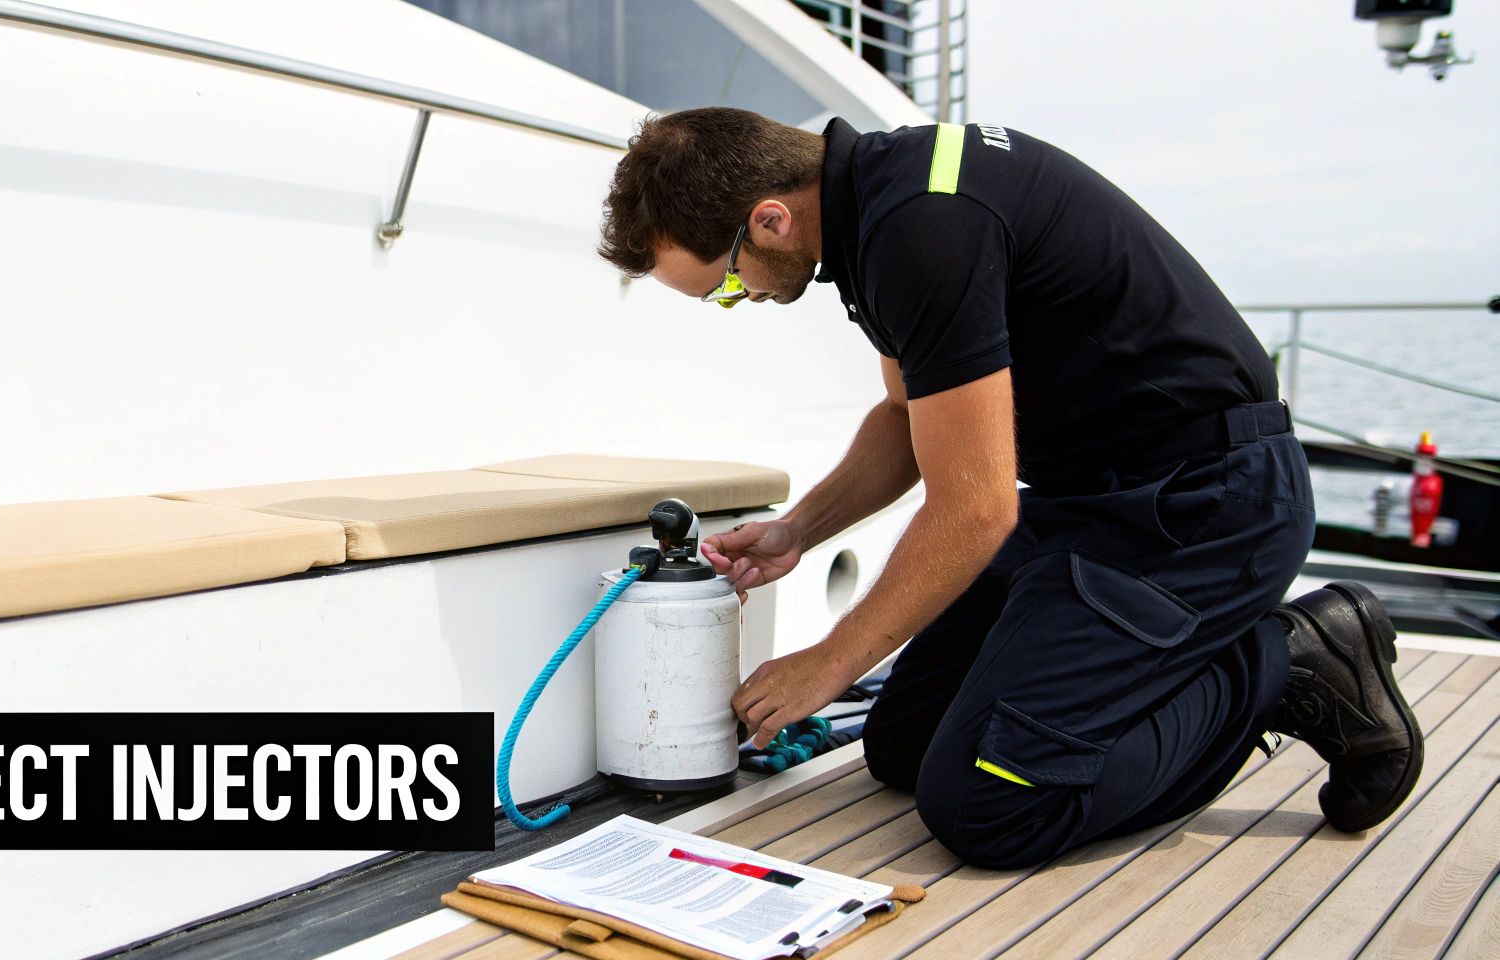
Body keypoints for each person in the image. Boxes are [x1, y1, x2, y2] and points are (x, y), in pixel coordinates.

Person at [596, 108, 1423, 869]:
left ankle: (1287, 660)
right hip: (1092, 503)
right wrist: (797, 530)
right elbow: (904, 412)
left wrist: (829, 662)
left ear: (768, 219)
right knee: (905, 749)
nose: (741, 301)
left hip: (1204, 509)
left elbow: (978, 510)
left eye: (728, 284)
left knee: (991, 804)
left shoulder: (922, 228)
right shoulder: (876, 208)